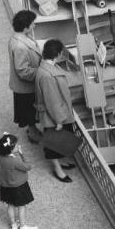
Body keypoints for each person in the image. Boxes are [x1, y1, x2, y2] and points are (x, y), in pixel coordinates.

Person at [35, 39, 76, 184]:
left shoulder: (47, 68)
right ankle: (58, 170)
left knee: (60, 142)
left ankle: (61, 163)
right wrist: (59, 121)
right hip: (55, 117)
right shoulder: (47, 75)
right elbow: (52, 101)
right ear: (58, 54)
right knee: (53, 144)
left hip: (59, 112)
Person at [0, 133, 38, 229]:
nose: (17, 146)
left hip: (5, 186)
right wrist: (22, 154)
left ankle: (13, 224)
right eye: (15, 146)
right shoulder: (13, 161)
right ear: (9, 150)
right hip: (19, 187)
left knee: (10, 205)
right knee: (22, 206)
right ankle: (23, 227)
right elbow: (28, 166)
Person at [8, 10, 42, 144]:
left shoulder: (18, 37)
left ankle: (32, 130)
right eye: (33, 24)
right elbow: (23, 71)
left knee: (30, 112)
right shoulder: (20, 46)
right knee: (30, 113)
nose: (34, 26)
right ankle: (32, 133)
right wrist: (41, 72)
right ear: (25, 27)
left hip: (23, 86)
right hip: (25, 87)